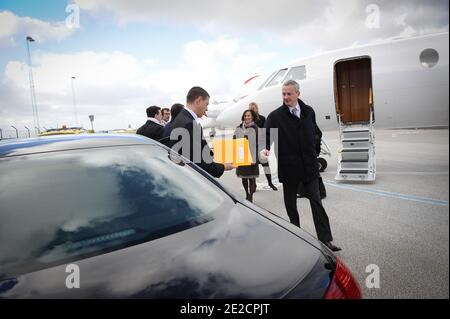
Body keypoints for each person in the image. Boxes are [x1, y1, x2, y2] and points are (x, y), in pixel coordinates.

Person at [261, 80, 341, 252]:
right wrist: (264, 149)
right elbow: (266, 135)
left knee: (317, 203)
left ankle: (326, 240)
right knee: (291, 206)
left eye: (289, 93)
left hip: (309, 167)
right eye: (283, 94)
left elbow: (317, 132)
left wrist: (315, 150)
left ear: (298, 93)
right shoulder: (275, 116)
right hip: (289, 168)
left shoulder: (308, 112)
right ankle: (296, 236)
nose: (286, 97)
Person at [169, 86, 234, 178]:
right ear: (198, 101)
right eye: (206, 104)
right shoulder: (188, 123)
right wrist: (223, 166)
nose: (207, 109)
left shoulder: (183, 119)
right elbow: (198, 162)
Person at [249, 102, 278, 191]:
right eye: (251, 108)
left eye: (254, 108)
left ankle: (270, 183)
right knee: (252, 167)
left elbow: (265, 131)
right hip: (251, 147)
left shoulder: (262, 119)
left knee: (265, 165)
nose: (253, 110)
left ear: (257, 109)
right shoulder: (247, 120)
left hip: (261, 146)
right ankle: (253, 185)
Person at [234, 109, 259, 202]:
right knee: (244, 178)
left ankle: (251, 196)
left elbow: (257, 142)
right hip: (241, 155)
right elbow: (234, 138)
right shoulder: (239, 127)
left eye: (249, 115)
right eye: (245, 116)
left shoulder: (255, 128)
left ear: (252, 117)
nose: (247, 117)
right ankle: (247, 194)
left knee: (251, 178)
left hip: (251, 155)